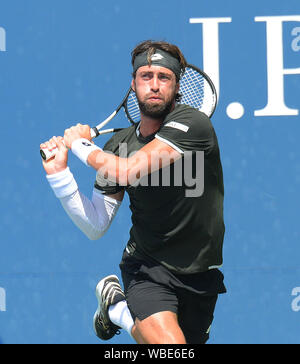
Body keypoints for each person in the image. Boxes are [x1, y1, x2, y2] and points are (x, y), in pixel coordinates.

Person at [40, 40, 226, 344]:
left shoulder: (194, 124)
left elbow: (128, 170)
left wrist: (79, 144)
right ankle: (122, 306)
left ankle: (116, 309)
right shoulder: (118, 146)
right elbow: (96, 224)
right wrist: (60, 175)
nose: (154, 85)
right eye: (146, 76)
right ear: (133, 84)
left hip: (200, 273)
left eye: (164, 77)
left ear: (177, 86)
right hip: (147, 266)